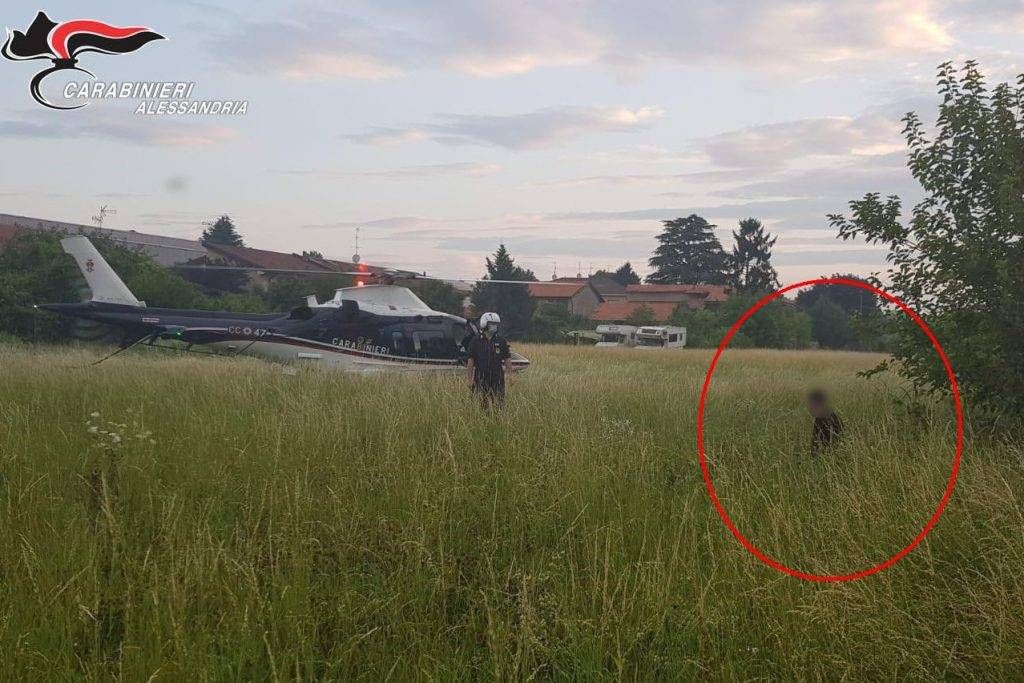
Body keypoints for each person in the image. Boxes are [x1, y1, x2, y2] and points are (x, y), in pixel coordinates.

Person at [466, 312, 512, 406]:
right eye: (492, 324)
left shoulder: (501, 341)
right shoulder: (475, 341)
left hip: (497, 378)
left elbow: (507, 359)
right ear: (484, 324)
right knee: (483, 403)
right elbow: (470, 361)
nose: (494, 327)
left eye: (495, 324)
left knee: (499, 404)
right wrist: (469, 379)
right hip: (481, 378)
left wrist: (510, 376)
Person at [808, 389, 843, 454]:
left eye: (812, 405)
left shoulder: (830, 419)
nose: (810, 408)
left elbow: (835, 443)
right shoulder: (819, 417)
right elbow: (815, 441)